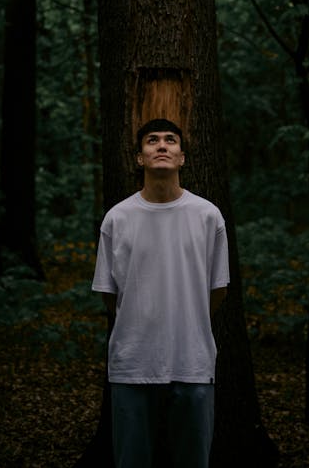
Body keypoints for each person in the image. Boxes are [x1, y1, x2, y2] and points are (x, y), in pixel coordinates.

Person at [92, 118, 230, 468]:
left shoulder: (207, 216)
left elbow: (218, 289)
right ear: (140, 157)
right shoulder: (117, 218)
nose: (162, 145)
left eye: (171, 140)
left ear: (182, 157)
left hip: (193, 363)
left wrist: (189, 321)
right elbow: (109, 294)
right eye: (152, 140)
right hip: (132, 365)